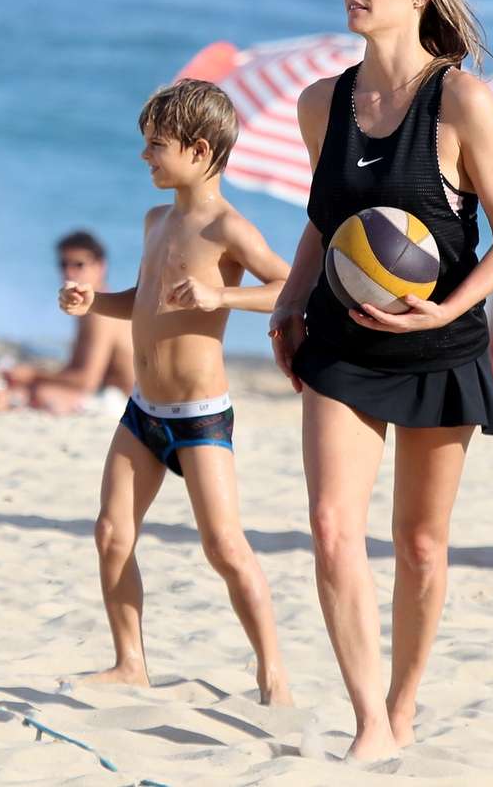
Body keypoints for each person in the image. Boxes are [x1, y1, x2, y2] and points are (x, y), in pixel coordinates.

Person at [269, 0, 493, 760]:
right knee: (331, 526)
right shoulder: (323, 104)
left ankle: (405, 703)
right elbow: (322, 217)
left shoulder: (460, 103)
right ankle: (369, 723)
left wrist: (447, 309)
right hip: (341, 339)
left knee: (420, 545)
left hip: (439, 344)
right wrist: (287, 299)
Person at [59, 78, 293, 703]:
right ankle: (129, 662)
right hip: (143, 410)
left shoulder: (228, 229)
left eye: (155, 146)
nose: (145, 158)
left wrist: (225, 296)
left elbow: (292, 287)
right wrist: (92, 304)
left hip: (199, 416)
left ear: (196, 149)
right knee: (111, 534)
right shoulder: (156, 219)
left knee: (224, 547)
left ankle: (273, 673)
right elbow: (141, 301)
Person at [3, 231, 134, 413]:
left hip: (124, 401)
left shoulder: (101, 313)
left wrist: (33, 376)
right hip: (108, 394)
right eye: (63, 264)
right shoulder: (88, 308)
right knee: (27, 390)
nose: (69, 272)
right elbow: (76, 370)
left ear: (101, 266)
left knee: (40, 394)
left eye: (78, 265)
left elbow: (86, 381)